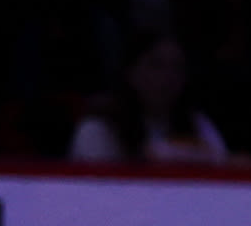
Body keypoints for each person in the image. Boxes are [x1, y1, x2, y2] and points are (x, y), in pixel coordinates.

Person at [69, 36, 229, 164]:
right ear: (131, 71)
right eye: (156, 65)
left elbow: (221, 162)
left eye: (176, 67)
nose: (168, 77)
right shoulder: (98, 127)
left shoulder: (197, 124)